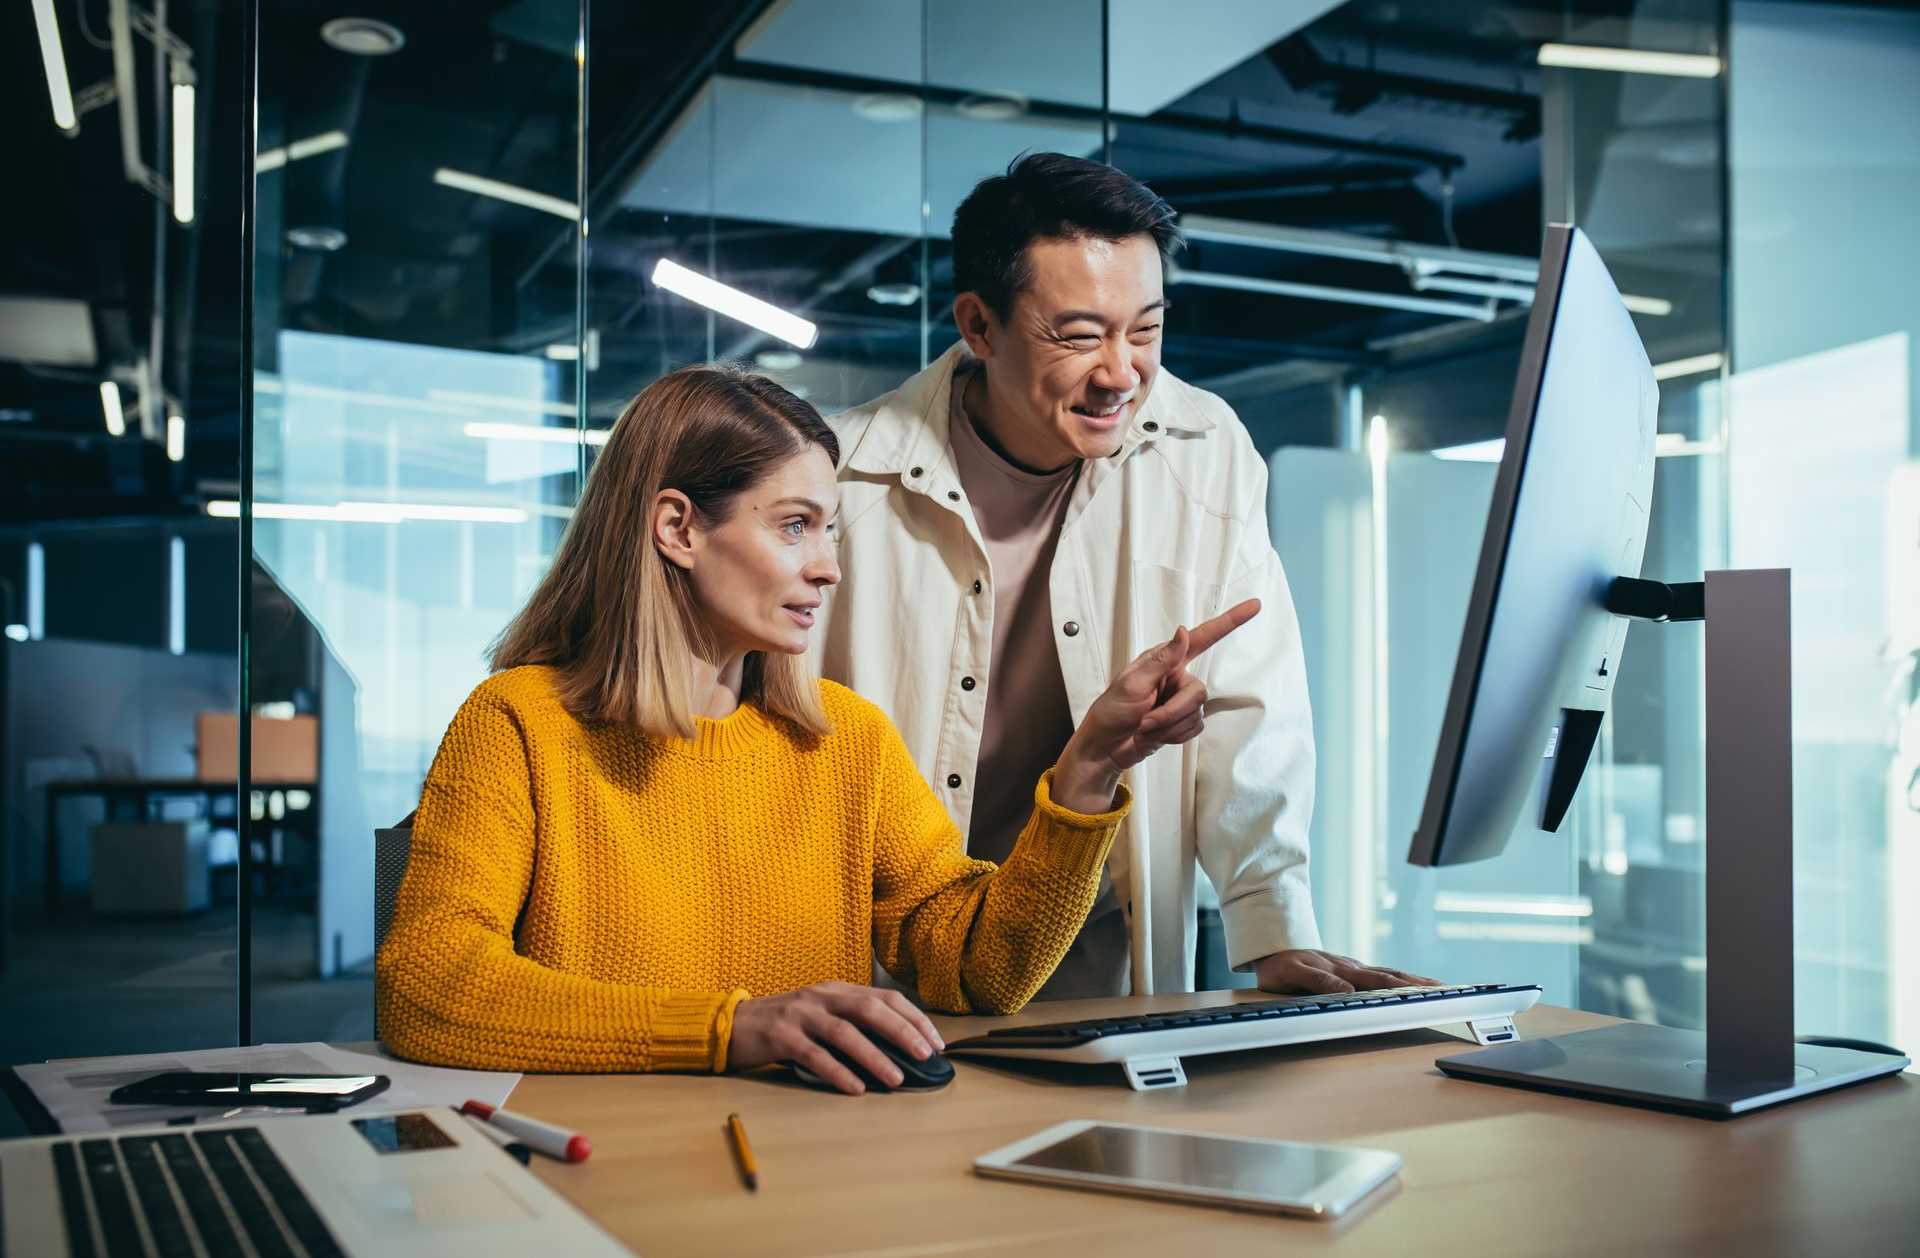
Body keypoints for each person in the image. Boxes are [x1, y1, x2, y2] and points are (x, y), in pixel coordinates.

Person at [377, 364, 1255, 1093]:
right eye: (794, 526)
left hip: (803, 1162)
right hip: (597, 1163)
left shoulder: (845, 739)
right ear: (677, 527)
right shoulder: (517, 725)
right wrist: (731, 1027)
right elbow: (430, 987)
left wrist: (1089, 768)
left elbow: (977, 969)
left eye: (828, 528)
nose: (829, 568)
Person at [817, 153, 1435, 998]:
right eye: (1079, 336)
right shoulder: (842, 477)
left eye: (1144, 330)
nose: (1121, 374)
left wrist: (1274, 927)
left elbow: (1251, 704)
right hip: (877, 960)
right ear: (978, 325)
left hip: (1089, 952)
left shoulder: (1204, 447)